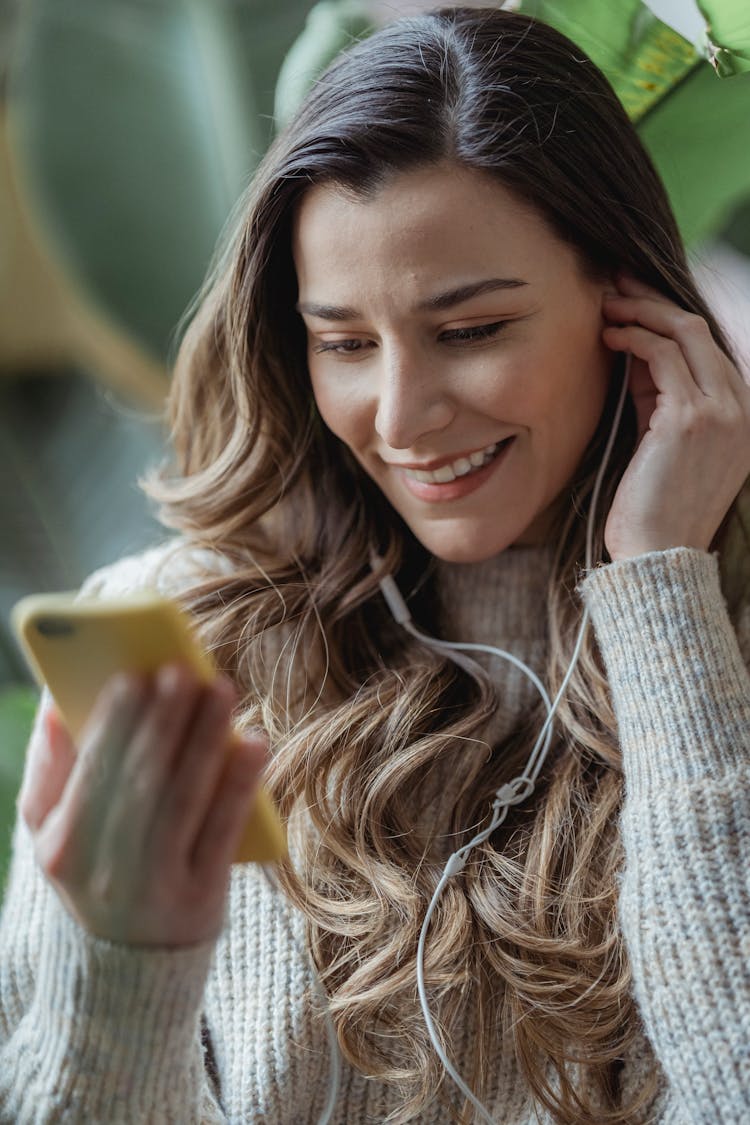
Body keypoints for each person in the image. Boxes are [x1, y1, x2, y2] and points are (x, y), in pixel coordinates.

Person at [2, 6, 750, 1123]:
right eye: (344, 343)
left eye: (469, 331)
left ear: (625, 307)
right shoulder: (178, 641)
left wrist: (660, 599)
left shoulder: (714, 651)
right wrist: (125, 975)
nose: (400, 416)